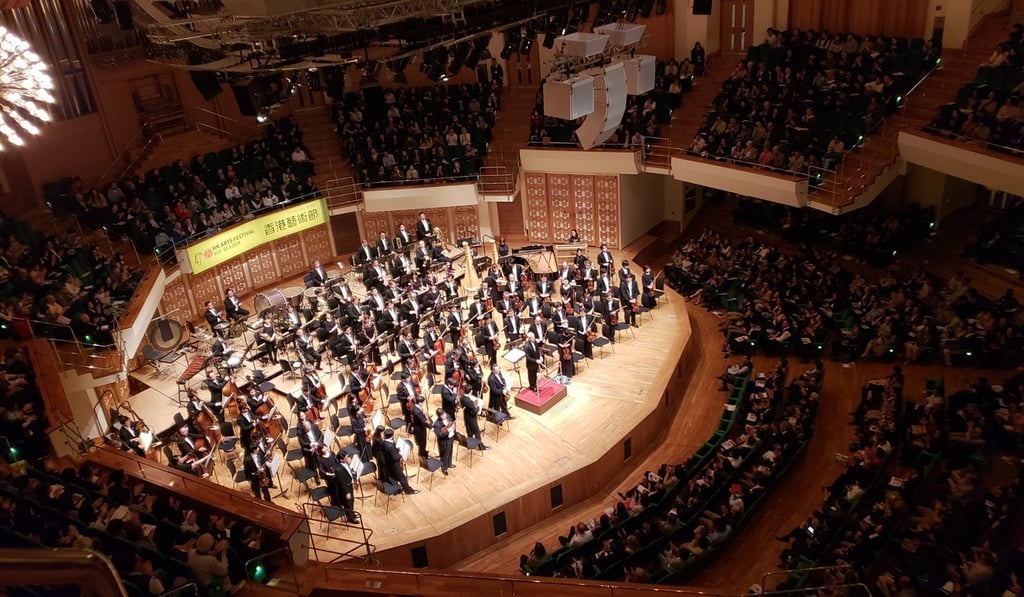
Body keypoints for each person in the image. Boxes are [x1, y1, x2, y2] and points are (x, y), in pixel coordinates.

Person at [433, 408, 456, 475]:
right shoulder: (437, 424)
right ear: (439, 416)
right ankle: (444, 468)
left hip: (451, 438)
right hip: (444, 441)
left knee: (450, 451)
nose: (444, 416)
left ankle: (449, 464)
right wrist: (448, 430)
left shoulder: (447, 415)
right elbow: (439, 434)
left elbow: (451, 421)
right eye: (442, 415)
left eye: (444, 414)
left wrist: (453, 427)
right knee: (444, 455)